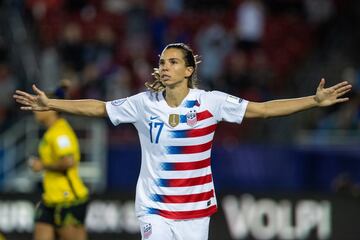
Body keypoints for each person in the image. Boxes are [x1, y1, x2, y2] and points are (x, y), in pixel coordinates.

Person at [14, 43, 351, 240]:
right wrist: (53, 103)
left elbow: (262, 110)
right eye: (162, 61)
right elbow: (99, 108)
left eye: (173, 61)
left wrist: (313, 101)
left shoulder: (210, 102)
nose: (165, 66)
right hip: (154, 207)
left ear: (189, 70)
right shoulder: (143, 103)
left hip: (194, 210)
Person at [26, 81, 89, 240]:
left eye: (39, 106)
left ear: (51, 110)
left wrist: (42, 165)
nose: (35, 110)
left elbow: (69, 161)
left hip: (68, 200)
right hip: (50, 199)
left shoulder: (60, 133)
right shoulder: (51, 132)